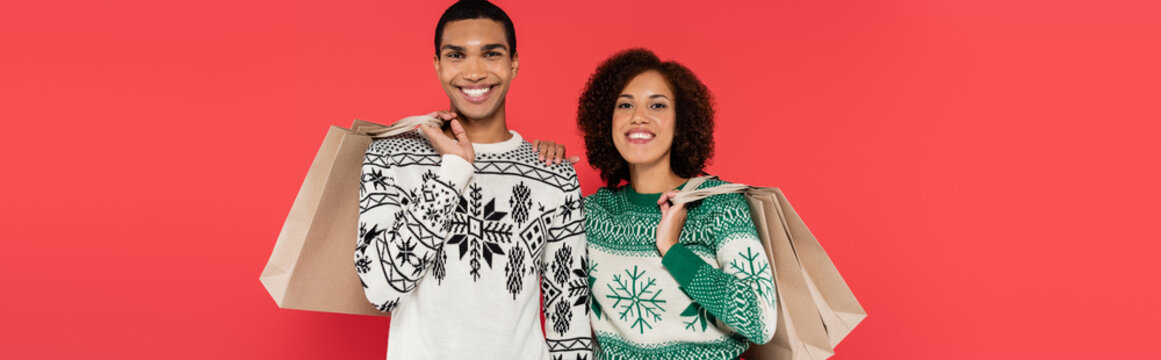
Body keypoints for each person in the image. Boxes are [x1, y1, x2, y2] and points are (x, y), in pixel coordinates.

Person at [354, 1, 591, 359]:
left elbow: (568, 318)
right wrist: (452, 173)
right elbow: (380, 291)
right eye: (457, 55)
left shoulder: (553, 174)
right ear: (437, 64)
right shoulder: (390, 158)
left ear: (514, 63)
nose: (475, 72)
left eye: (491, 54)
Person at [578, 49, 778, 360]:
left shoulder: (720, 205)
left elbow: (761, 321)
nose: (639, 116)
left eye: (657, 105)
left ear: (680, 121)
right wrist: (538, 161)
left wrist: (673, 250)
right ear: (607, 120)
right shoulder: (591, 214)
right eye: (625, 104)